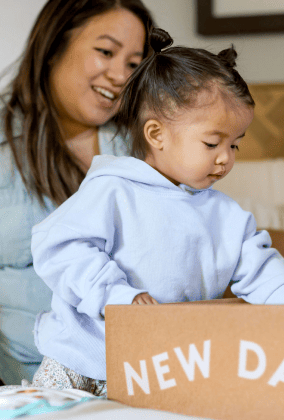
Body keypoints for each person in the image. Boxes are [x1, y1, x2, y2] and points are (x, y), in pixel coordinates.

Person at [29, 28, 284, 397]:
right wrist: (118, 295)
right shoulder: (113, 189)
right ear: (156, 134)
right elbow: (58, 247)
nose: (226, 157)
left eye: (236, 145)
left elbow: (265, 273)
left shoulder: (226, 217)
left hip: (158, 369)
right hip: (77, 360)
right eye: (212, 143)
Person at [0, 0, 154, 385]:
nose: (120, 75)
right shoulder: (6, 148)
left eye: (133, 64)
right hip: (26, 381)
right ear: (53, 48)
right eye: (105, 52)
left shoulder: (145, 151)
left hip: (136, 374)